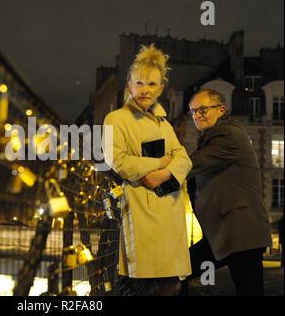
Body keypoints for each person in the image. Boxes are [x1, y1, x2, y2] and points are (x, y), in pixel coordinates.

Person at [103, 44, 192, 295]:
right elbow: (117, 160)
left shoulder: (164, 122)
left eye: (152, 84)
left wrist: (165, 173)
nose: (145, 90)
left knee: (172, 283)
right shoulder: (116, 119)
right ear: (129, 85)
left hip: (171, 211)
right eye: (140, 83)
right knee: (142, 283)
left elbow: (184, 158)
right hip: (142, 211)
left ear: (161, 89)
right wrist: (160, 163)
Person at [183, 89, 272, 296]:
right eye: (193, 112)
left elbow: (189, 164)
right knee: (179, 271)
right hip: (226, 234)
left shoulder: (228, 135)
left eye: (203, 109)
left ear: (221, 110)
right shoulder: (212, 138)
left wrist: (154, 168)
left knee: (178, 270)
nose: (197, 115)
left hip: (240, 234)